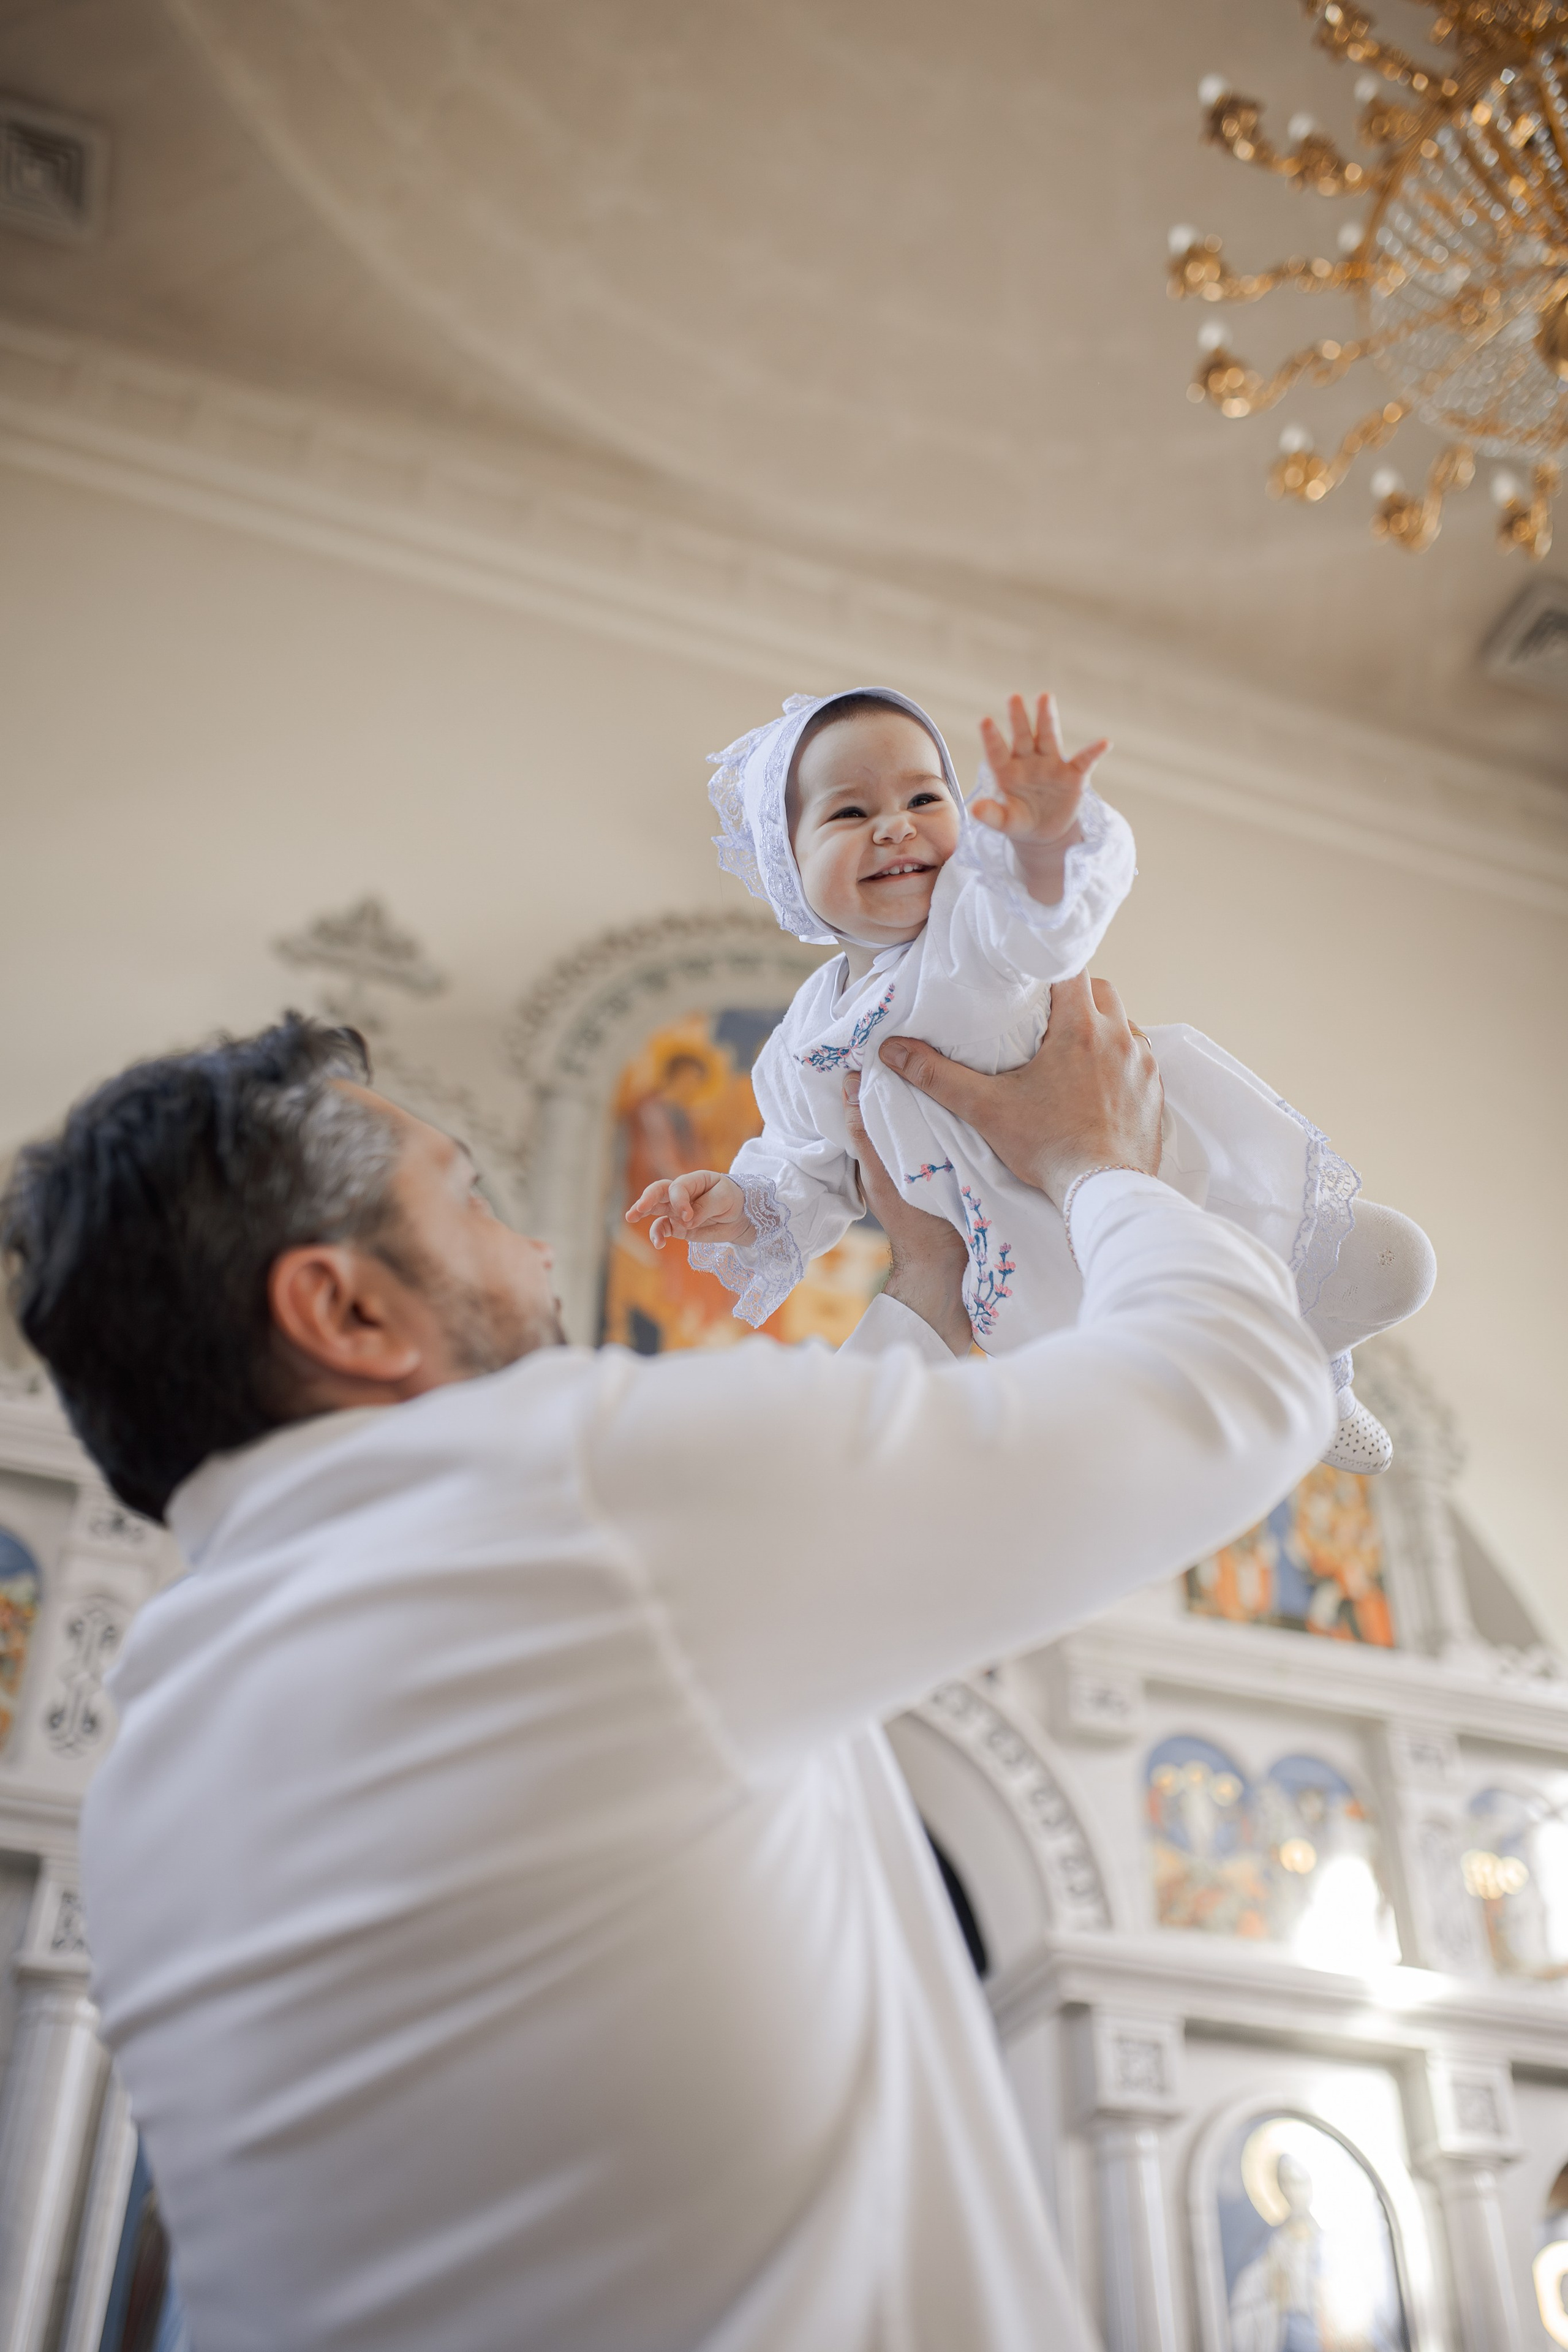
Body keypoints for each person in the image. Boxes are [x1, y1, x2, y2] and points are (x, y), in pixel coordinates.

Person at [1, 983, 1335, 2352]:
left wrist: (928, 1295)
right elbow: (1228, 1393)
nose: (532, 1248)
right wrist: (1089, 1155)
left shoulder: (156, 1756)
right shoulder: (547, 1497)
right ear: (344, 1309)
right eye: (465, 1202)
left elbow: (713, 1662)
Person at [627, 687, 1436, 1471]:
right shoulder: (807, 1038)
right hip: (1022, 1256)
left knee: (1390, 1260)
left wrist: (1044, 848)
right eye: (849, 812)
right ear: (787, 869)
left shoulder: (971, 929)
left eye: (923, 798)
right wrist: (746, 1207)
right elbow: (808, 1158)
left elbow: (1046, 926)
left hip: (1162, 1173)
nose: (893, 828)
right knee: (1136, 1394)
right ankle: (1269, 1401)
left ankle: (1324, 1370)